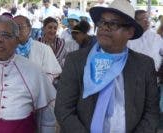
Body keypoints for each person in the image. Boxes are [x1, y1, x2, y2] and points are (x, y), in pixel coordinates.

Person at [55, 0, 159, 132]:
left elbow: (151, 113)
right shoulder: (76, 61)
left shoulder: (144, 65)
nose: (104, 27)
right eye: (102, 22)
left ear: (130, 32)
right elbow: (63, 110)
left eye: (113, 24)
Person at [13, 15, 62, 82]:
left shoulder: (44, 49)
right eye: (13, 28)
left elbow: (53, 73)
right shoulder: (5, 49)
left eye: (20, 27)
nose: (16, 31)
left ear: (29, 29)